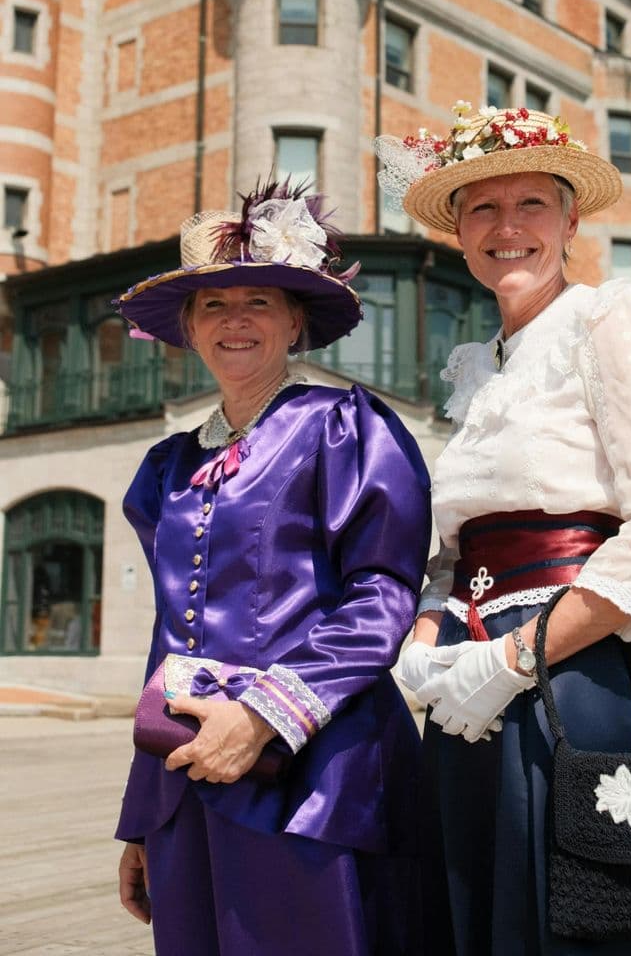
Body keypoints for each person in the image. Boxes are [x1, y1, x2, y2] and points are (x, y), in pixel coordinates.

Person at [377, 105, 631, 956]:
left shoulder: (604, 319)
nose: (507, 228)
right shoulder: (477, 368)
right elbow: (453, 552)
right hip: (466, 689)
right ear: (459, 233)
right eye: (481, 210)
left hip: (572, 675)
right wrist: (427, 641)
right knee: (478, 907)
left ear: (571, 219)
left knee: (590, 916)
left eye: (531, 204)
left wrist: (512, 660)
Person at [114, 180, 432, 956]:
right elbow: (170, 646)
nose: (236, 321)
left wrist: (261, 718)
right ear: (188, 329)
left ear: (295, 320)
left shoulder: (347, 429)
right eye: (214, 306)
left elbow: (382, 599)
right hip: (190, 775)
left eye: (258, 300)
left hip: (316, 773)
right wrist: (142, 817)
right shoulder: (167, 467)